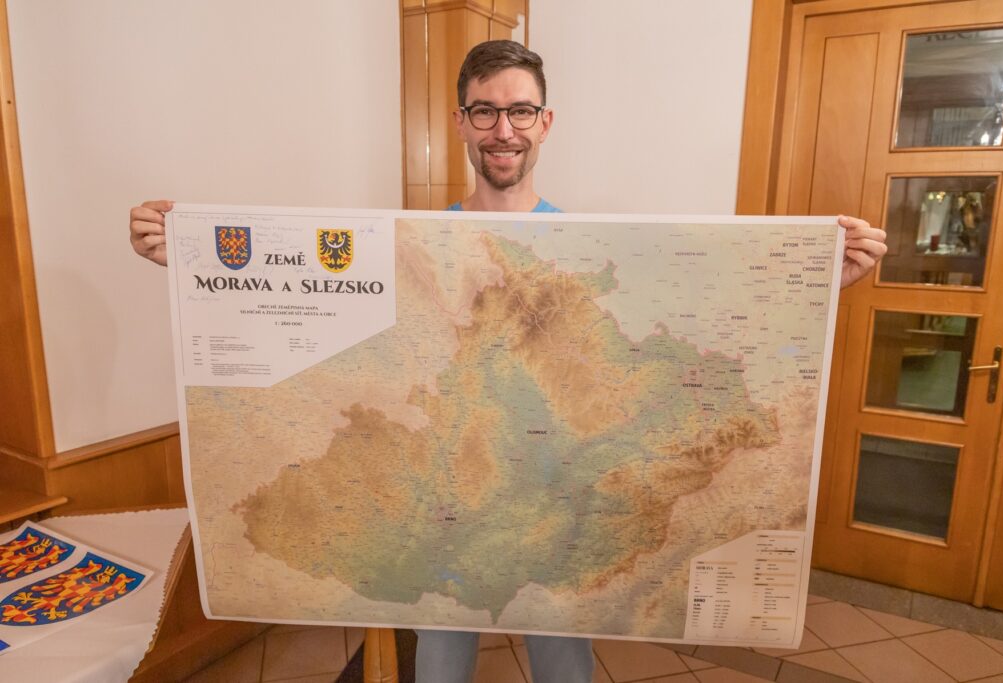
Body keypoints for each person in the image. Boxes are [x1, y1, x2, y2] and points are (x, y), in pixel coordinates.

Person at [129, 39, 887, 683]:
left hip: (562, 501)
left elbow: (714, 323)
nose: (503, 130)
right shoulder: (412, 245)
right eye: (485, 111)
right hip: (448, 499)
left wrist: (821, 283)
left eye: (520, 111)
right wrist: (191, 261)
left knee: (563, 660)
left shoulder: (590, 248)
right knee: (441, 657)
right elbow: (309, 314)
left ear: (544, 122)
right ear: (461, 122)